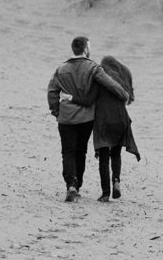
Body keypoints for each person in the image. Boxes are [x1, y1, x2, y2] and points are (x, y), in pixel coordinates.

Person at [47, 36, 129, 202]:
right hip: (86, 119)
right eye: (89, 46)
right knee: (81, 151)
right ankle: (77, 186)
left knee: (67, 152)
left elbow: (52, 92)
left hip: (66, 118)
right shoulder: (93, 68)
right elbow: (110, 84)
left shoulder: (61, 69)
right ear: (85, 49)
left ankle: (71, 184)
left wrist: (56, 111)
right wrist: (124, 95)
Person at [65, 55, 140, 202]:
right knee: (116, 154)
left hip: (103, 120)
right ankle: (116, 181)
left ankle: (105, 194)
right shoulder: (123, 76)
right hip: (121, 119)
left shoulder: (99, 79)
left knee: (104, 158)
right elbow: (128, 99)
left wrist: (71, 98)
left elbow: (88, 100)